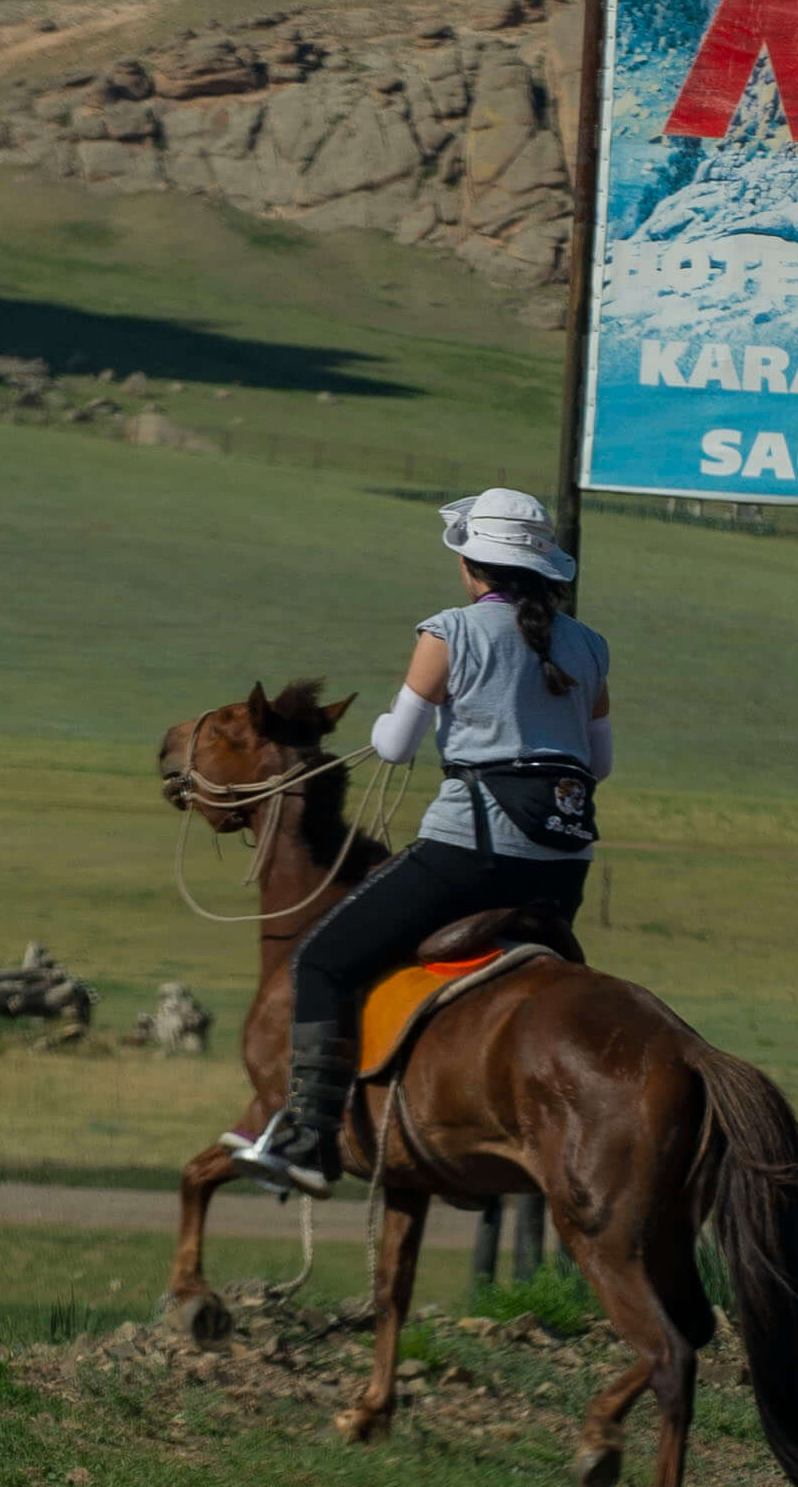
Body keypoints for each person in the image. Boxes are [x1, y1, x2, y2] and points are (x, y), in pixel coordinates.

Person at [228, 489, 610, 1198]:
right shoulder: (588, 645)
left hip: (470, 854)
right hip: (562, 870)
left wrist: (381, 729)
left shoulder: (448, 632)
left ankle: (310, 1135)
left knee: (324, 960)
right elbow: (601, 762)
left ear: (471, 567)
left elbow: (397, 745)